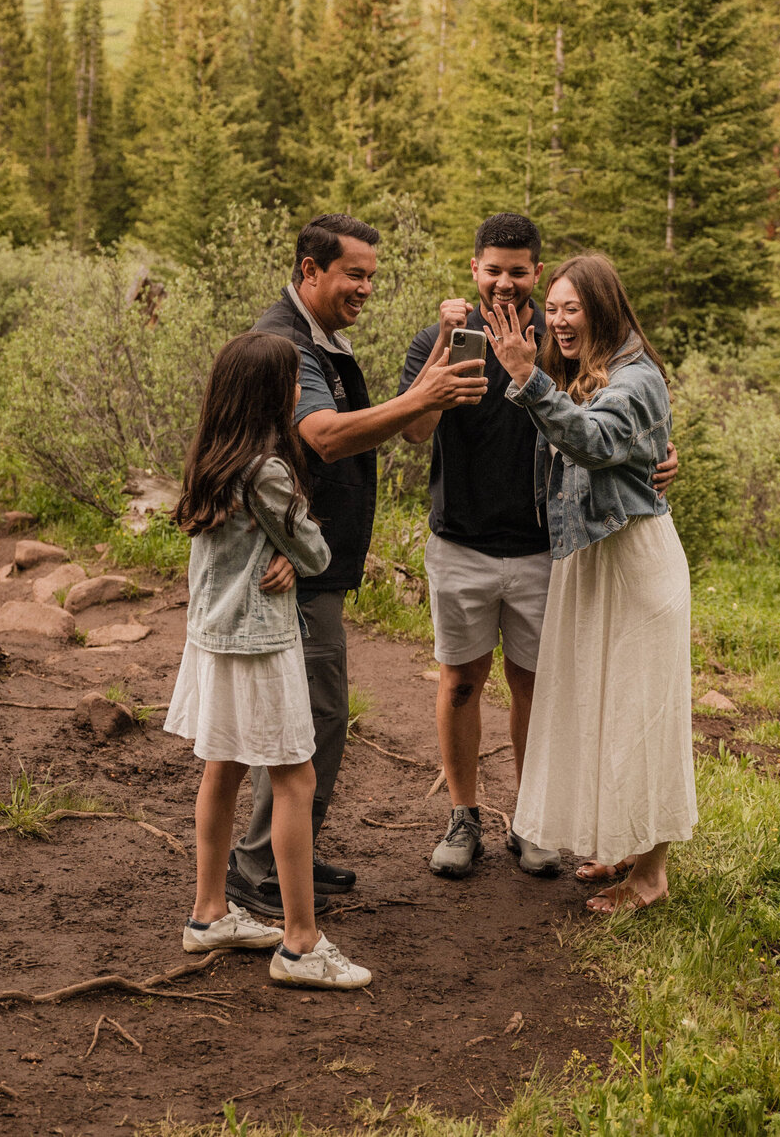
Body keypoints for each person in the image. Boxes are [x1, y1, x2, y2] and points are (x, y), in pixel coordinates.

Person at [399, 214, 679, 882]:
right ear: (473, 268)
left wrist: (659, 457)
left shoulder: (558, 344)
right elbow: (414, 433)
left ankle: (534, 819)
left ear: (535, 271)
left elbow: (607, 415)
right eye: (492, 268)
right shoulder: (440, 338)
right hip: (460, 539)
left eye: (518, 271)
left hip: (547, 549)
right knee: (461, 681)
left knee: (536, 688)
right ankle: (463, 816)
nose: (503, 282)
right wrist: (441, 359)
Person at [225, 213, 487, 924]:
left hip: (312, 563)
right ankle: (258, 871)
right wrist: (423, 398)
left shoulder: (322, 340)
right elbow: (324, 437)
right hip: (291, 569)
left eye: (372, 275)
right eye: (354, 274)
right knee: (309, 717)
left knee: (313, 718)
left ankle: (288, 852)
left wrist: (427, 381)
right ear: (310, 270)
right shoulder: (284, 343)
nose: (366, 288)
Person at [482, 252, 697, 913]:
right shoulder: (586, 372)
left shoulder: (635, 379)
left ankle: (653, 874)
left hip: (632, 563)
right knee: (604, 704)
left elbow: (596, 443)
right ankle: (625, 842)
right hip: (594, 561)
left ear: (601, 308)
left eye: (570, 309)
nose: (557, 322)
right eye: (551, 310)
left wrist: (526, 378)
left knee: (642, 714)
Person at [164, 329, 371, 989]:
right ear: (266, 395)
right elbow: (316, 554)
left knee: (221, 766)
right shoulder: (269, 470)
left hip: (211, 640)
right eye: (290, 382)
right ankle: (302, 944)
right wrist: (291, 554)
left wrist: (273, 553)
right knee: (295, 780)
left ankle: (207, 915)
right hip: (259, 644)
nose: (295, 391)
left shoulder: (212, 460)